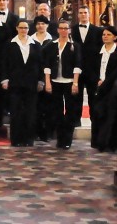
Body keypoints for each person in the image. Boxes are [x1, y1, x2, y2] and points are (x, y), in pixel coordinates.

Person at [0, 19, 44, 146]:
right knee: (16, 112)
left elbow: (41, 64)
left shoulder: (35, 44)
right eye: (21, 27)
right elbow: (4, 63)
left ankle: (28, 139)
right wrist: (4, 79)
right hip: (15, 82)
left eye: (26, 28)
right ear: (17, 28)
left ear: (29, 29)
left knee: (30, 112)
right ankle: (16, 140)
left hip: (32, 83)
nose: (23, 30)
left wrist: (41, 81)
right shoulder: (9, 44)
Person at [91, 26, 117, 151]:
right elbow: (91, 68)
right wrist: (96, 80)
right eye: (104, 34)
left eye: (108, 34)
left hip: (112, 88)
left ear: (115, 37)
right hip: (98, 87)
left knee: (111, 115)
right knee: (98, 114)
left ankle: (111, 143)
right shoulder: (97, 51)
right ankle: (98, 142)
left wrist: (107, 82)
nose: (105, 36)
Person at [44, 21, 82, 149]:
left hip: (69, 82)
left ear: (69, 30)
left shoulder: (74, 46)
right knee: (57, 111)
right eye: (61, 28)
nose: (64, 30)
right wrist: (48, 82)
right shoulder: (51, 45)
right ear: (58, 30)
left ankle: (67, 140)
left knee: (70, 111)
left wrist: (75, 83)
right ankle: (60, 139)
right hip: (55, 81)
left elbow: (77, 65)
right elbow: (47, 65)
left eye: (66, 28)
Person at [31, 15, 54, 141]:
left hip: (49, 76)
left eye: (43, 24)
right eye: (38, 24)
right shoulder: (29, 40)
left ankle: (47, 133)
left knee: (48, 106)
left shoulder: (53, 40)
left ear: (47, 25)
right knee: (34, 106)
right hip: (33, 76)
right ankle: (34, 131)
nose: (40, 26)